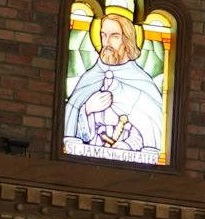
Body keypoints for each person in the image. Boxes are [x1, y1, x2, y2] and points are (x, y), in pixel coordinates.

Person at [63, 4, 168, 163]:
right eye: (103, 35)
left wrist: (126, 145)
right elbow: (71, 126)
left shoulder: (143, 84)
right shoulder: (90, 78)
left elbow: (151, 128)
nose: (107, 42)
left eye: (115, 36)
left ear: (128, 40)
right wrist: (87, 109)